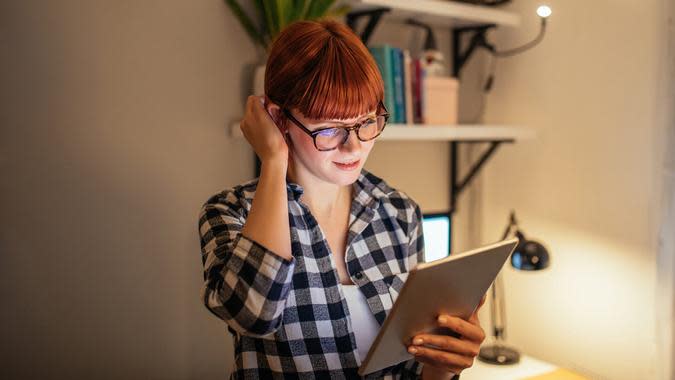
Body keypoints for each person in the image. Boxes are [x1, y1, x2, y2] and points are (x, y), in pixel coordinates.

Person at [197, 19, 486, 379]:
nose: (355, 147)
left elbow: (413, 369)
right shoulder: (230, 213)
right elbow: (253, 314)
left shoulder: (399, 213)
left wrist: (441, 364)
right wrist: (273, 160)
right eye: (330, 128)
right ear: (277, 118)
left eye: (367, 121)